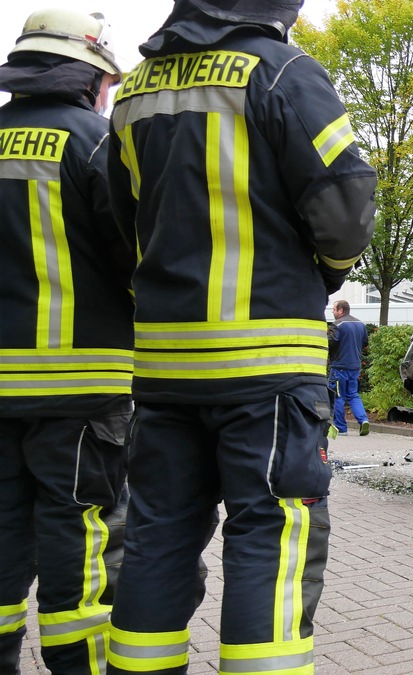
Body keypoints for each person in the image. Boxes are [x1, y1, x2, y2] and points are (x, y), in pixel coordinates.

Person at [103, 0, 376, 672]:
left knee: (157, 536)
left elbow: (118, 224)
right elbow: (346, 205)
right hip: (269, 367)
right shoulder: (283, 73)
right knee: (270, 533)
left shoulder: (133, 96)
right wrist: (324, 273)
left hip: (166, 371)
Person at [0, 8, 132, 674]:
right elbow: (135, 258)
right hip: (81, 393)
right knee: (78, 546)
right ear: (89, 79)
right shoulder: (94, 142)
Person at [328, 299, 370, 436]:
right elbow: (364, 342)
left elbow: (331, 342)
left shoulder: (337, 325)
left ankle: (341, 428)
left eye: (334, 309)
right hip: (355, 366)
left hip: (339, 366)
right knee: (353, 395)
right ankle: (363, 420)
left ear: (341, 310)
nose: (333, 312)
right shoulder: (360, 324)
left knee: (337, 396)